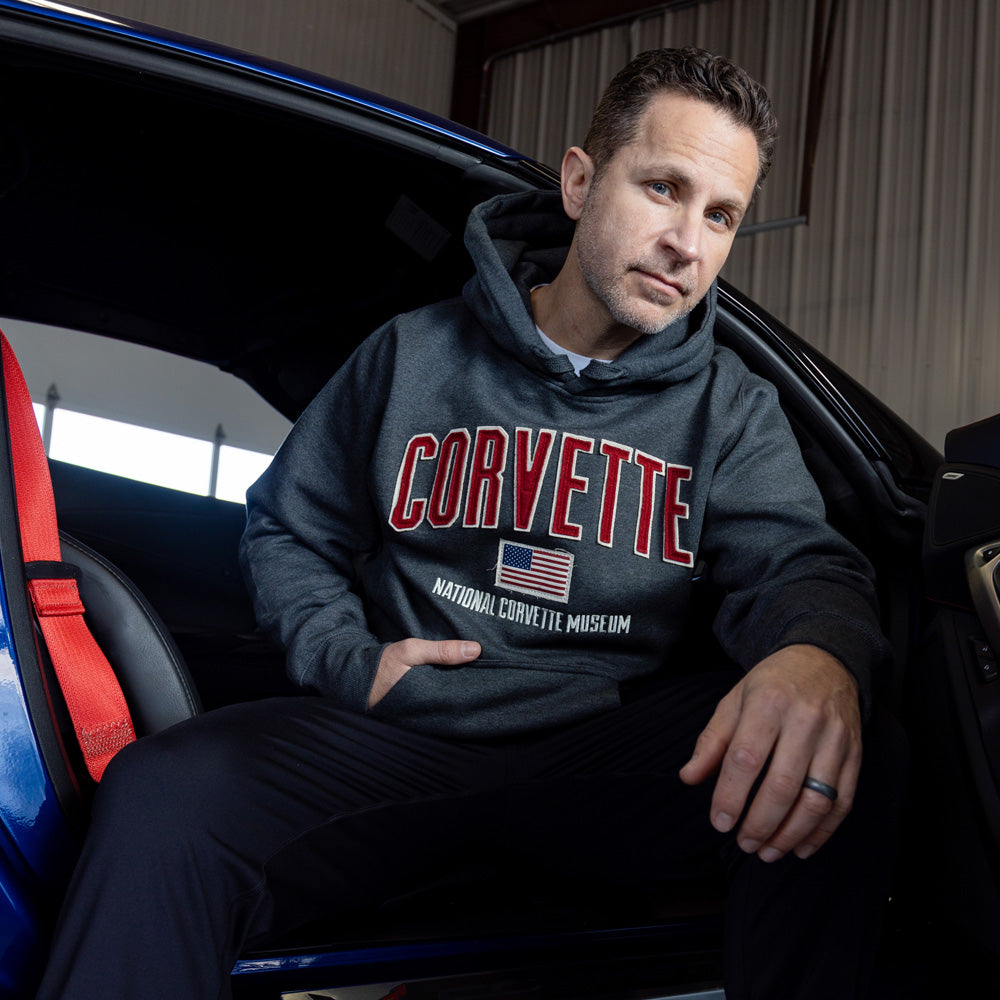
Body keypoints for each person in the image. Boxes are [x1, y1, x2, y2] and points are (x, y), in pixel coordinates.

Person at [36, 47, 904, 1000]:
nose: (687, 243)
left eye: (721, 215)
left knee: (824, 758)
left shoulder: (731, 410)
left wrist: (818, 653)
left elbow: (799, 566)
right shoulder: (411, 354)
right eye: (664, 188)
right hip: (402, 739)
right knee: (165, 799)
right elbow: (290, 527)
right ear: (579, 182)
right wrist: (344, 658)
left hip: (601, 749)